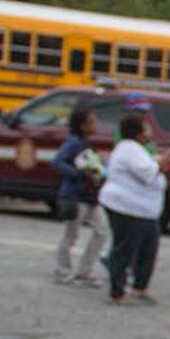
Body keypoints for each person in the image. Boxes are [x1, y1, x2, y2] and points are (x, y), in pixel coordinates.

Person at [98, 113, 168, 305]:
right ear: (138, 133)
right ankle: (117, 291)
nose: (149, 133)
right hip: (128, 207)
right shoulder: (130, 149)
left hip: (145, 209)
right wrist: (161, 163)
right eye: (146, 129)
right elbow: (146, 173)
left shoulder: (136, 149)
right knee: (125, 250)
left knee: (148, 248)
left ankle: (140, 286)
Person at [52, 107, 107, 287]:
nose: (95, 125)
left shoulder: (85, 142)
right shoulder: (74, 143)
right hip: (76, 195)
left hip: (89, 196)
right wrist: (79, 173)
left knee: (101, 231)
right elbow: (57, 162)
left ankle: (85, 271)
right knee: (71, 235)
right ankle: (63, 271)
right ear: (82, 126)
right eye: (91, 121)